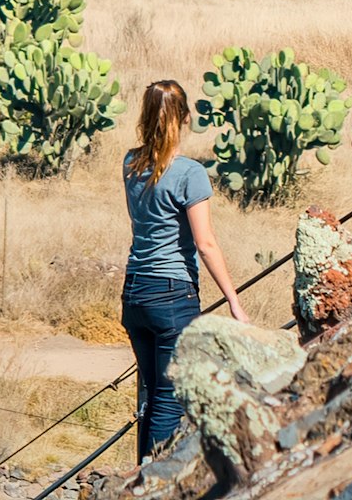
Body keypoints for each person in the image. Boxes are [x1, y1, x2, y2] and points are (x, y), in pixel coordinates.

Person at [120, 80, 250, 459]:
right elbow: (205, 243)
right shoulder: (190, 173)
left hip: (134, 293)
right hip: (172, 296)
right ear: (187, 118)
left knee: (151, 395)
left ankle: (142, 477)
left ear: (144, 117)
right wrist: (234, 302)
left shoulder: (130, 162)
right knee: (170, 400)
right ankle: (154, 480)